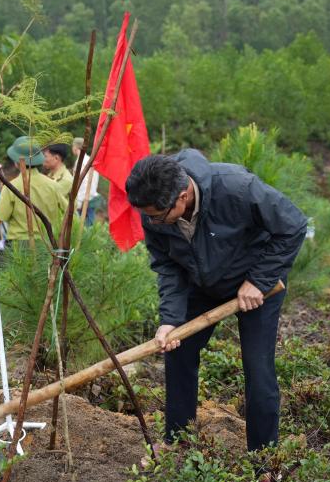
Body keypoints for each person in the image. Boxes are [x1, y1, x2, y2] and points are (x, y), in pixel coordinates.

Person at [125, 149, 307, 452]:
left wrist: (258, 281)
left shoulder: (237, 188)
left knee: (258, 369)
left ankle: (263, 457)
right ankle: (177, 443)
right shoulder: (154, 215)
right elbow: (168, 266)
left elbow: (293, 225)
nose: (151, 222)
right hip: (200, 284)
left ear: (182, 197)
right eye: (147, 216)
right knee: (177, 351)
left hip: (257, 285)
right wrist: (170, 319)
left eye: (157, 216)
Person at [0, 136, 67, 246]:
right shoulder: (53, 185)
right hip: (49, 246)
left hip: (19, 249)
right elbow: (70, 213)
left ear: (16, 162)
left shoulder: (12, 187)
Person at [72, 137, 101, 226]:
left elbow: (84, 183)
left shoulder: (81, 162)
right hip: (90, 196)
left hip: (85, 199)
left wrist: (80, 201)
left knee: (85, 228)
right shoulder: (89, 160)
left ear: (75, 147)